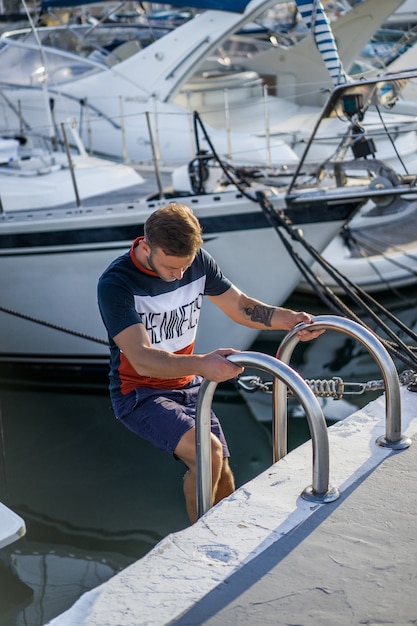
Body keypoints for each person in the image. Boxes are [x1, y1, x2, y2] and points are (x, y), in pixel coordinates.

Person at [97, 202, 323, 524]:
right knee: (208, 454)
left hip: (189, 384)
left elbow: (241, 307)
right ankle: (198, 543)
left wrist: (293, 320)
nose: (178, 276)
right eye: (171, 268)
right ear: (146, 246)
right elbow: (142, 358)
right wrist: (203, 364)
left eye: (184, 267)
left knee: (224, 474)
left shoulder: (197, 262)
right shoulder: (116, 284)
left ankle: (230, 537)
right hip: (139, 393)